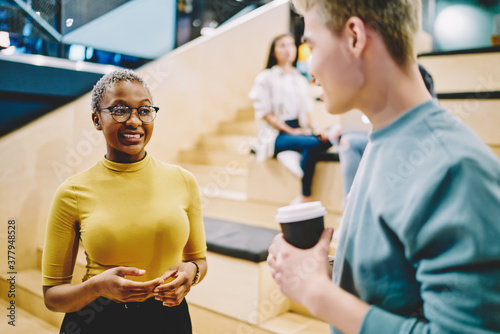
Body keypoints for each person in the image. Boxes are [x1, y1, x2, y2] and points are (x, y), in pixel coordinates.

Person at [267, 1, 500, 334]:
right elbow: (396, 285)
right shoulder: (381, 137)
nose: (311, 70)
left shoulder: (454, 166)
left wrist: (316, 294)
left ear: (354, 37)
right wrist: (317, 270)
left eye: (312, 46)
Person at [42, 69, 207, 334]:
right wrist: (96, 286)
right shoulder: (72, 191)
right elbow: (52, 296)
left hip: (169, 319)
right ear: (97, 119)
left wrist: (191, 273)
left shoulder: (183, 180)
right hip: (98, 320)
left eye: (144, 110)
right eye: (119, 110)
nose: (134, 121)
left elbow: (199, 259)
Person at [249, 33, 330, 203]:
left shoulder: (300, 79)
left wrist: (316, 128)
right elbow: (265, 114)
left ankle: (302, 159)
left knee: (327, 136)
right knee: (312, 143)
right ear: (274, 51)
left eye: (291, 45)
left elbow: (307, 112)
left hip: (297, 128)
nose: (288, 49)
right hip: (275, 133)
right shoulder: (265, 77)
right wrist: (292, 131)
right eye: (282, 45)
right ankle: (306, 194)